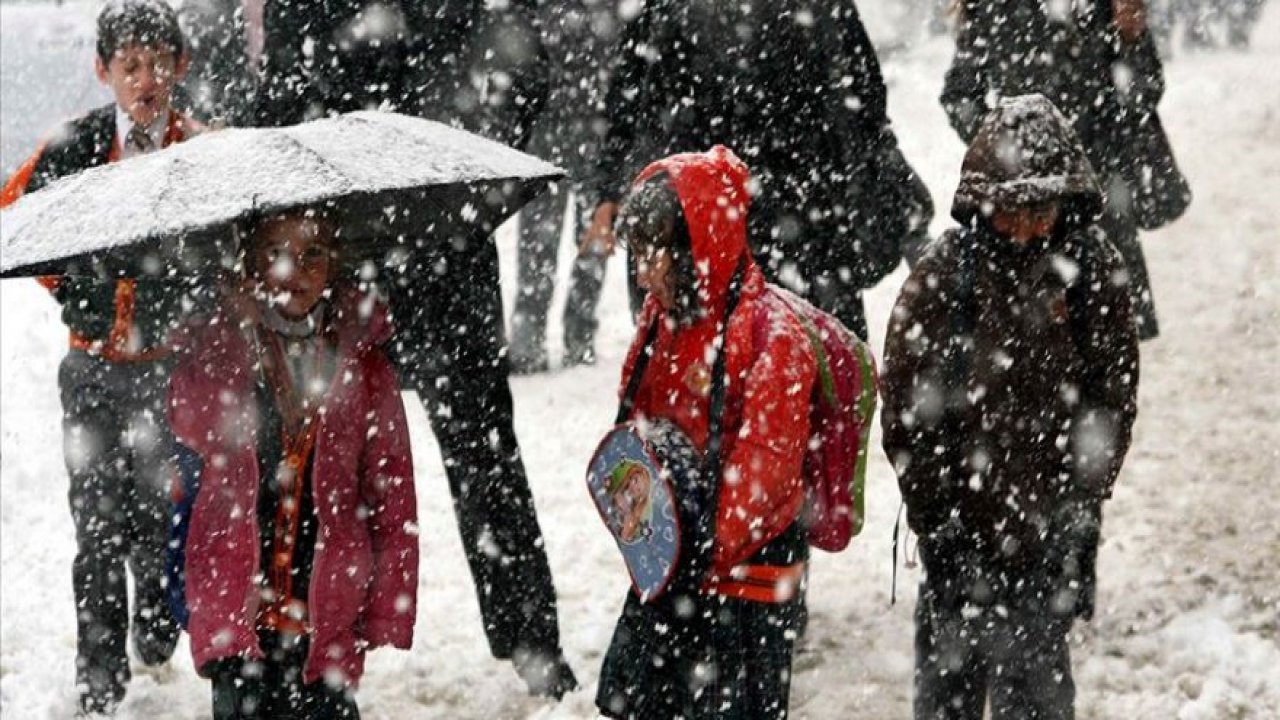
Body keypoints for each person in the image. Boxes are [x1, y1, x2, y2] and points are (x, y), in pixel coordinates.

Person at [241, 0, 579, 696]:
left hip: (443, 251)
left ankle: (531, 641)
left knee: (484, 457)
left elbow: (522, 64)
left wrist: (471, 159)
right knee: (319, 465)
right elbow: (275, 104)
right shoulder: (305, 11)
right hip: (342, 265)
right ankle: (314, 644)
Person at [881, 95, 1140, 719]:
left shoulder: (1091, 270)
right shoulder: (947, 274)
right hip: (959, 531)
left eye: (1042, 210)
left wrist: (1080, 507)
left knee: (1039, 697)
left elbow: (1111, 398)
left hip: (1047, 531)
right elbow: (906, 411)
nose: (1026, 227)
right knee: (949, 698)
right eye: (1012, 211)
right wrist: (936, 521)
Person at [0, 1, 198, 712]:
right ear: (104, 72)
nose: (145, 81)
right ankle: (99, 676)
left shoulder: (201, 151)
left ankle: (154, 625)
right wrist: (71, 288)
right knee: (97, 525)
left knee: (157, 518)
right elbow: (14, 211)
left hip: (171, 372)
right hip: (89, 370)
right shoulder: (76, 147)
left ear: (181, 66)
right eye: (129, 67)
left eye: (157, 65)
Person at [167, 209, 419, 719]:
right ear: (250, 265)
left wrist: (389, 597)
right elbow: (188, 421)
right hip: (237, 600)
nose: (294, 271)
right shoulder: (225, 345)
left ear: (335, 263)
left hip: (326, 602)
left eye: (312, 256)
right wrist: (226, 337)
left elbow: (393, 488)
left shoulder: (362, 360)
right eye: (275, 255)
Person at [596, 146, 817, 719]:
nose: (643, 275)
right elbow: (636, 428)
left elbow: (764, 472)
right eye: (636, 258)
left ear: (698, 248)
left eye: (654, 256)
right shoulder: (661, 320)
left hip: (744, 579)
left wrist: (696, 551)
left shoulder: (773, 337)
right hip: (681, 565)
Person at [582, 0, 926, 340]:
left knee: (755, 366)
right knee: (784, 365)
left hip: (751, 224)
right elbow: (866, 104)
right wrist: (609, 187)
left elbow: (864, 103)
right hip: (767, 222)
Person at [941, 0, 1188, 341]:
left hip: (1097, 203)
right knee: (1030, 347)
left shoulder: (1105, 7)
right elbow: (960, 96)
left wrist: (1132, 36)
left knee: (1106, 347)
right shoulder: (995, 8)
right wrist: (1007, 156)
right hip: (1024, 211)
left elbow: (1143, 94)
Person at [507, 0, 620, 373]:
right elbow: (522, 63)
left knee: (592, 237)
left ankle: (576, 333)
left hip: (592, 127)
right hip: (554, 127)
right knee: (540, 240)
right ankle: (535, 337)